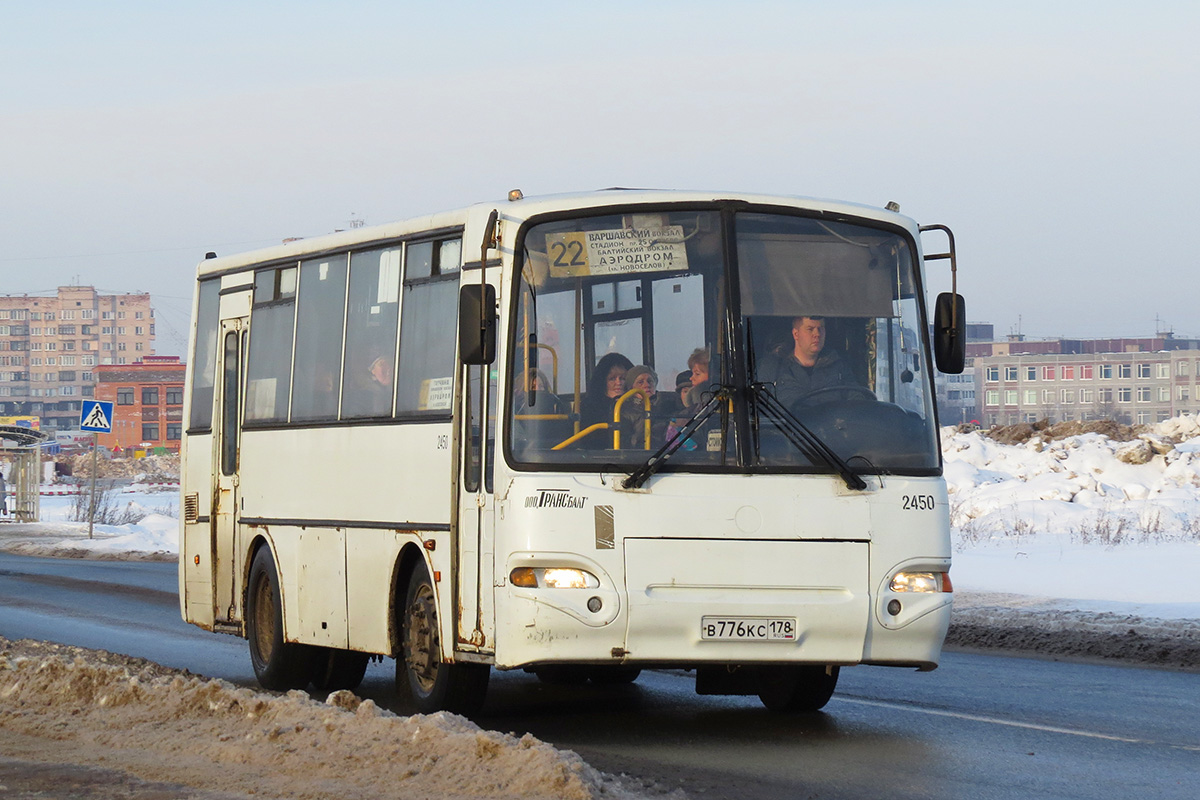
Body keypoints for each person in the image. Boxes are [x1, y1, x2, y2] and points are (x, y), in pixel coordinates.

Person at [761, 316, 860, 408]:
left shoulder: (839, 367)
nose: (817, 334)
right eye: (810, 329)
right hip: (786, 427)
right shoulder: (772, 367)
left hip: (828, 426)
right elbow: (757, 408)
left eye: (820, 328)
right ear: (796, 334)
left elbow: (856, 403)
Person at [620, 365, 681, 449]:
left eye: (650, 381)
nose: (647, 385)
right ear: (631, 387)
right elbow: (625, 442)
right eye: (640, 382)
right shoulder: (623, 409)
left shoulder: (670, 402)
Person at [580, 352, 633, 435]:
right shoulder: (588, 406)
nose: (618, 382)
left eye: (623, 378)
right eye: (612, 379)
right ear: (602, 381)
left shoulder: (638, 404)